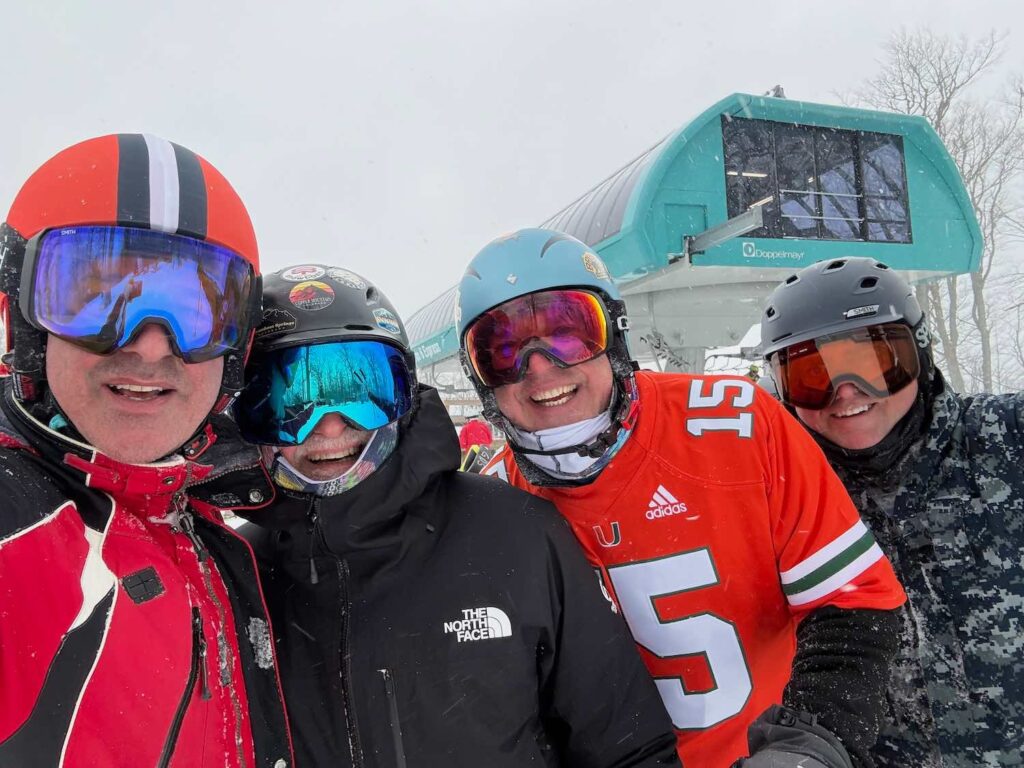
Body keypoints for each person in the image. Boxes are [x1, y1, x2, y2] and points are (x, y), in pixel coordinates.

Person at [456, 228, 908, 768]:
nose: (540, 367)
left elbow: (855, 601)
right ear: (480, 378)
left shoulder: (738, 424)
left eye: (569, 331)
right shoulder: (494, 506)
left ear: (616, 334)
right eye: (501, 350)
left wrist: (810, 744)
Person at [227, 264, 681, 767]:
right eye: (290, 401)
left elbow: (629, 747)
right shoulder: (232, 573)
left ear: (403, 396)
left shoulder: (516, 536)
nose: (331, 427)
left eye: (363, 389)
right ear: (244, 412)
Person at [0, 135, 292, 767]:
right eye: (101, 299)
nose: (153, 347)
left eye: (196, 311)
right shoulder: (16, 531)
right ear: (25, 320)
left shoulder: (206, 528)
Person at [760, 256, 1024, 767]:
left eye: (873, 363)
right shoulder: (784, 497)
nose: (846, 394)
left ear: (918, 354)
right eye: (813, 375)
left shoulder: (1006, 439)